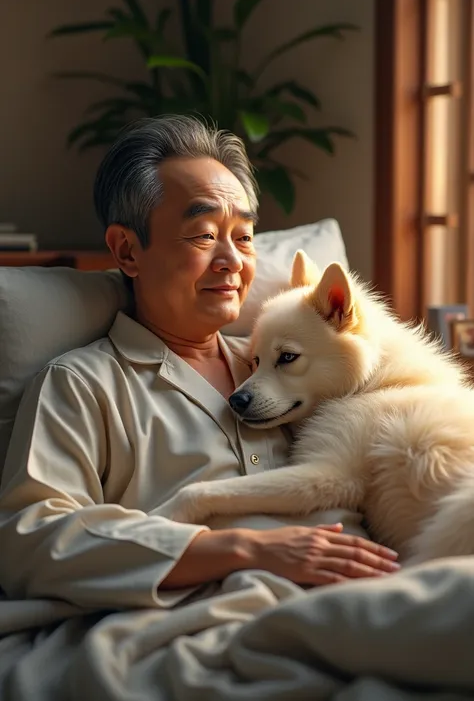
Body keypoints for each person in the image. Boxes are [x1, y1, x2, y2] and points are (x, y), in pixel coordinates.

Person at [0, 115, 400, 612]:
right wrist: (243, 550)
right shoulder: (85, 385)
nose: (233, 260)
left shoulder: (303, 364)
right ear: (128, 250)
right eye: (205, 235)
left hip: (378, 596)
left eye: (246, 236)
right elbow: (30, 540)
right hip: (221, 619)